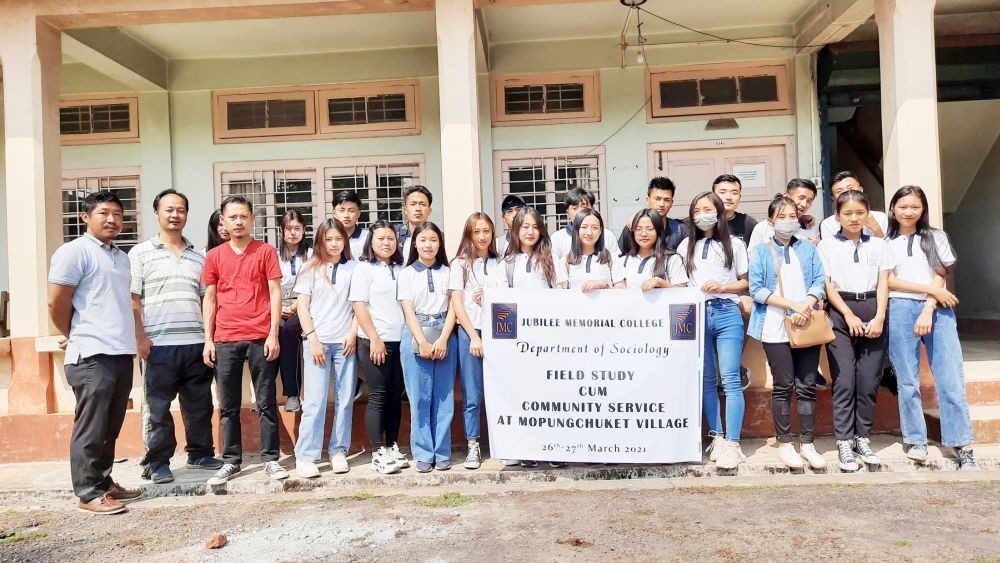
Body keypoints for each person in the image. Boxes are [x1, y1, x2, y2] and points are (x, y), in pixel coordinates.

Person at [48, 191, 142, 515]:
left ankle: (104, 483)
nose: (112, 219)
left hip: (119, 351)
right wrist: (72, 333)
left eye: (117, 213)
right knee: (91, 425)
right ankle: (88, 492)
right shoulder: (74, 252)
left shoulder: (121, 257)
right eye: (104, 213)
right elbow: (56, 302)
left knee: (110, 424)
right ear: (86, 217)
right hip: (91, 354)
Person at [130, 189, 222, 486]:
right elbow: (133, 299)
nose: (175, 215)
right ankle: (156, 462)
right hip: (158, 345)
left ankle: (200, 453)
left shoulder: (199, 256)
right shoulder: (140, 253)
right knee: (157, 408)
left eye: (180, 210)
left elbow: (206, 300)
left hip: (195, 343)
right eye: (169, 209)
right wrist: (140, 337)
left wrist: (209, 338)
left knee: (199, 404)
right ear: (156, 213)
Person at [885, 185, 978, 470]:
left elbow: (941, 274)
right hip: (900, 308)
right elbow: (889, 281)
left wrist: (929, 306)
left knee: (950, 376)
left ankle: (962, 443)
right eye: (903, 206)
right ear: (893, 209)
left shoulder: (935, 237)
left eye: (914, 206)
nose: (908, 212)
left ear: (923, 209)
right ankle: (915, 440)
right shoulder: (885, 242)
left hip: (937, 310)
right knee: (907, 379)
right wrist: (930, 290)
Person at [202, 196, 288, 485]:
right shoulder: (214, 256)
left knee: (265, 402)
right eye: (232, 217)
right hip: (225, 338)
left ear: (252, 219)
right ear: (223, 222)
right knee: (227, 405)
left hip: (261, 336)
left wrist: (274, 333)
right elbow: (210, 299)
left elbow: (275, 293)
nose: (238, 221)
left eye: (243, 216)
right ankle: (231, 460)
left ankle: (271, 459)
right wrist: (208, 339)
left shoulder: (265, 251)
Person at [747, 194, 827, 470]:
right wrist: (792, 305)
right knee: (783, 385)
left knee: (806, 385)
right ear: (771, 222)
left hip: (806, 324)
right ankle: (785, 442)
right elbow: (756, 289)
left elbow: (819, 280)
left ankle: (807, 442)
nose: (788, 221)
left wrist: (807, 304)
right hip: (775, 326)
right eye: (781, 217)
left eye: (792, 216)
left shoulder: (807, 248)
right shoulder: (759, 252)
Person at [818, 190, 892, 472]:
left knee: (869, 380)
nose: (853, 218)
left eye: (859, 213)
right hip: (841, 311)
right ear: (837, 215)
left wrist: (879, 317)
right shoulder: (827, 245)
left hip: (873, 308)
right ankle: (844, 442)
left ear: (868, 213)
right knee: (845, 379)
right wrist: (847, 314)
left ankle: (863, 437)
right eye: (847, 213)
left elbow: (883, 282)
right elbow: (827, 284)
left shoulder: (878, 244)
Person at [676, 192, 749, 470]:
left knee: (730, 378)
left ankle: (733, 442)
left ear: (719, 212)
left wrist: (722, 287)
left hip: (727, 312)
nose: (702, 214)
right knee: (706, 379)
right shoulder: (686, 245)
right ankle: (716, 436)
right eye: (697, 210)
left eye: (708, 209)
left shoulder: (735, 244)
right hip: (696, 314)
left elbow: (745, 283)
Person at [502, 207, 568, 468]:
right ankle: (524, 447)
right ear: (515, 230)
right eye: (524, 226)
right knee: (522, 395)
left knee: (550, 394)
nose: (529, 231)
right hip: (519, 345)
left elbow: (563, 296)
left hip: (548, 342)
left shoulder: (550, 259)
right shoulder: (506, 264)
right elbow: (500, 304)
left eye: (534, 226)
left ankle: (553, 447)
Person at [293, 219, 359, 478]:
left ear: (345, 240)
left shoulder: (355, 268)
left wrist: (353, 333)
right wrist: (313, 339)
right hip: (316, 344)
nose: (334, 244)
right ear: (320, 240)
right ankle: (306, 456)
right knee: (315, 401)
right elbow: (302, 307)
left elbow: (359, 305)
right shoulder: (310, 268)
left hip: (345, 344)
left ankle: (338, 450)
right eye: (329, 239)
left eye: (338, 239)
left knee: (344, 401)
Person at [449, 212, 508, 470]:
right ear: (469, 235)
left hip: (499, 333)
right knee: (472, 393)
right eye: (477, 232)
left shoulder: (501, 263)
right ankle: (473, 445)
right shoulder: (459, 264)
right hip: (470, 333)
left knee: (502, 390)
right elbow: (457, 303)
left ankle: (505, 444)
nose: (482, 237)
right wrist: (473, 335)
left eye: (486, 231)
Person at [349, 220, 408, 474]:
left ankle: (393, 445)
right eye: (381, 239)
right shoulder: (364, 269)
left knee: (396, 397)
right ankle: (377, 450)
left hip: (401, 341)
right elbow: (359, 306)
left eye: (391, 238)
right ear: (371, 243)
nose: (386, 243)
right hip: (374, 342)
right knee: (379, 395)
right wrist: (374, 338)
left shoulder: (403, 267)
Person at [399, 222, 458, 473]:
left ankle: (442, 451)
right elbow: (407, 308)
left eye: (433, 240)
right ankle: (423, 452)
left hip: (444, 329)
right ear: (415, 243)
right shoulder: (407, 273)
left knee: (444, 398)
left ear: (440, 243)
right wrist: (422, 340)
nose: (428, 245)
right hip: (416, 331)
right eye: (423, 240)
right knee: (420, 398)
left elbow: (455, 306)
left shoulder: (449, 271)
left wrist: (444, 338)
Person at [276, 209, 312, 412]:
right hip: (278, 306)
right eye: (288, 228)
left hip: (305, 306)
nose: (292, 233)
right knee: (274, 330)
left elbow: (315, 286)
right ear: (282, 230)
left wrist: (298, 304)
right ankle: (263, 394)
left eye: (297, 228)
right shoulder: (272, 255)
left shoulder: (313, 255)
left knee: (289, 330)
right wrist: (280, 307)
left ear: (304, 230)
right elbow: (267, 286)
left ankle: (292, 394)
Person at [612, 209, 688, 290]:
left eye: (650, 229)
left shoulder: (672, 259)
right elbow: (620, 293)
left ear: (658, 231)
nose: (643, 233)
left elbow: (681, 293)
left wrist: (659, 282)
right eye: (638, 229)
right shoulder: (623, 261)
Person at [617, 177, 689, 252]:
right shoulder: (633, 227)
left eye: (667, 200)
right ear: (648, 200)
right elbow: (619, 257)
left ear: (671, 203)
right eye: (657, 199)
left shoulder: (681, 230)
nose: (662, 204)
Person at [748, 178, 820, 250]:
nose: (804, 204)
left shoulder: (810, 228)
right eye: (801, 198)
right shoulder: (763, 228)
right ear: (786, 196)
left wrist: (815, 248)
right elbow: (753, 257)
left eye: (809, 201)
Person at [819, 171, 888, 240]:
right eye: (839, 191)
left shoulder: (880, 217)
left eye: (850, 188)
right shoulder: (828, 224)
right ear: (833, 198)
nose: (847, 193)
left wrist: (876, 229)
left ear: (861, 190)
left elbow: (886, 249)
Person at [550, 187, 616, 259]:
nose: (580, 212)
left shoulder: (607, 236)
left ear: (592, 209)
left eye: (584, 207)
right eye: (575, 208)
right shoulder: (557, 238)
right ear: (568, 213)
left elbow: (616, 265)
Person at [563, 208, 616, 291]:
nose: (589, 233)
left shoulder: (611, 258)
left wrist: (604, 285)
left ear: (600, 230)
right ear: (576, 229)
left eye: (594, 228)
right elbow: (560, 292)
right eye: (584, 227)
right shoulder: (566, 260)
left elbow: (622, 288)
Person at [712, 174, 758, 245]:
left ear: (739, 197)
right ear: (713, 196)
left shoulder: (749, 224)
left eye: (734, 193)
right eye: (722, 192)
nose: (728, 197)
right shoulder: (704, 222)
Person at [396, 185, 432, 260]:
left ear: (429, 211)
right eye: (413, 204)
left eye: (422, 204)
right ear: (405, 210)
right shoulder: (394, 234)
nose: (418, 209)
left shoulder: (438, 236)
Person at [332, 190, 369, 258]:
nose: (346, 215)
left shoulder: (368, 238)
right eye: (342, 210)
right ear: (334, 213)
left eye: (351, 211)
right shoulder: (327, 239)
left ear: (358, 214)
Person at [495, 194, 525, 258]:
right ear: (503, 217)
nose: (514, 215)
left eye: (518, 210)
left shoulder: (535, 240)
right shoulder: (498, 245)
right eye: (509, 211)